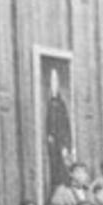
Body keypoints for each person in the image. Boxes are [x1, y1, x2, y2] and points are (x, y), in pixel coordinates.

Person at [45, 68, 72, 196]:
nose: (54, 85)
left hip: (61, 144)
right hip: (51, 145)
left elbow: (66, 127)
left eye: (56, 82)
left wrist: (66, 145)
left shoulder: (61, 104)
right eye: (52, 82)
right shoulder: (48, 103)